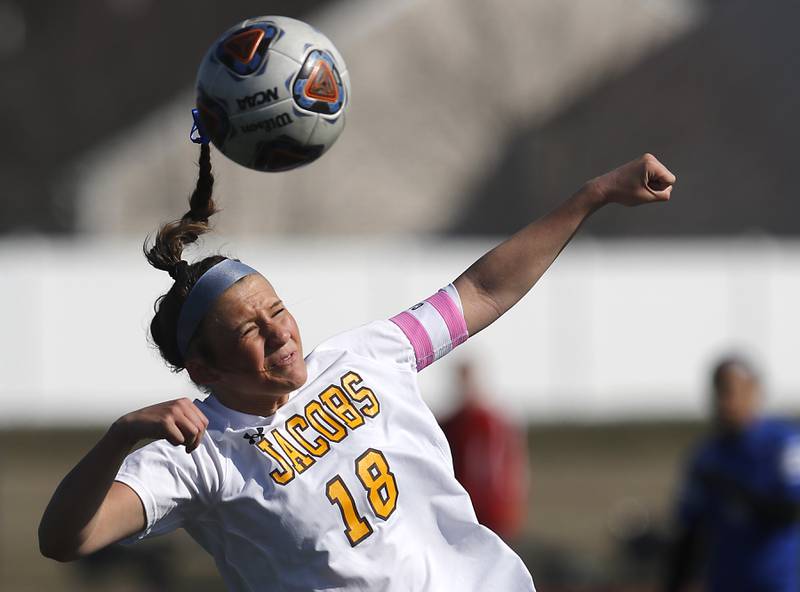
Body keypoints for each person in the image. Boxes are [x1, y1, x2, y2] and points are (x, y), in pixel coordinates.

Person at [38, 143, 675, 592]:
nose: (279, 333)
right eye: (250, 330)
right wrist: (121, 437)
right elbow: (66, 540)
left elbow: (481, 290)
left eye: (278, 311)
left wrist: (594, 196)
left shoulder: (367, 356)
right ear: (203, 368)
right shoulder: (193, 453)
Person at [663, 357, 800, 592]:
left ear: (753, 391)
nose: (724, 401)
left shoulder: (783, 444)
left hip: (776, 583)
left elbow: (790, 511)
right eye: (718, 392)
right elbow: (690, 532)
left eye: (730, 391)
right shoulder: (706, 455)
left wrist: (732, 489)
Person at [440, 362, 527, 541]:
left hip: (494, 510)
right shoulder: (451, 424)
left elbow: (510, 463)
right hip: (463, 510)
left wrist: (511, 502)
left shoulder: (493, 422)